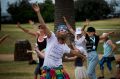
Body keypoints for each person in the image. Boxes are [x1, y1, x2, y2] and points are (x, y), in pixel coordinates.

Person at [32, 4, 85, 79]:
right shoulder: (52, 37)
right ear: (57, 32)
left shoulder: (65, 46)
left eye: (64, 30)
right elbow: (43, 26)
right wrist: (38, 12)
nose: (63, 31)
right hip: (47, 71)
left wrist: (82, 56)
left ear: (67, 33)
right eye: (61, 30)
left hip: (59, 71)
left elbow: (74, 52)